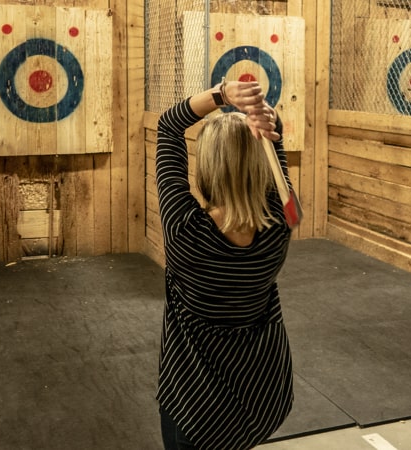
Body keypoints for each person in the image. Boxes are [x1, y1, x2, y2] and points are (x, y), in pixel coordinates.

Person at [155, 79, 295, 450]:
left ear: (208, 168)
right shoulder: (283, 220)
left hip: (198, 409)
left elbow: (169, 125)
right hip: (262, 397)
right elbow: (274, 142)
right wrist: (264, 118)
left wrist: (223, 95)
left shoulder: (185, 233)